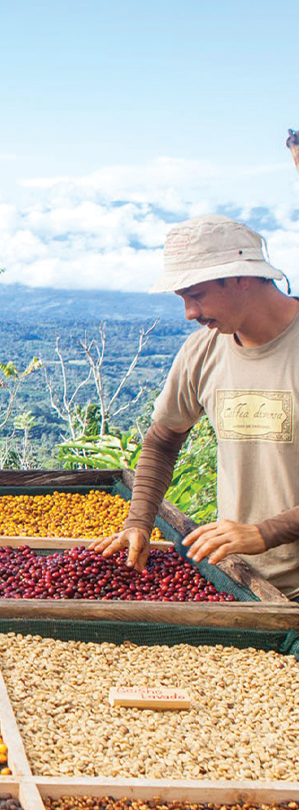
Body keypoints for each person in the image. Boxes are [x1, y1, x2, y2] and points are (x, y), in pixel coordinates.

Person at [92, 214, 299, 598]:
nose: (189, 313)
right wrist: (138, 522)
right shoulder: (201, 353)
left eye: (196, 295)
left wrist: (264, 533)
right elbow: (161, 442)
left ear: (240, 277)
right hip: (244, 580)